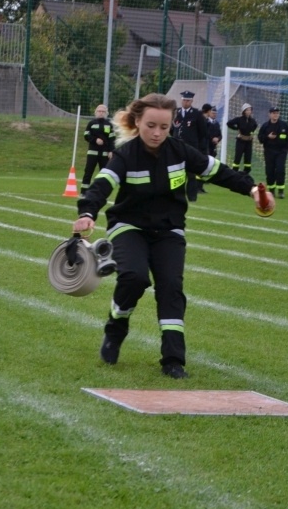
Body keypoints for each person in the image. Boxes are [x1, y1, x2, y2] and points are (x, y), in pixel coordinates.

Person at [73, 93, 260, 379]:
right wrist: (88, 212)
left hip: (169, 230)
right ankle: (116, 326)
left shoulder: (180, 151)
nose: (157, 132)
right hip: (129, 226)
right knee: (134, 277)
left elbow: (218, 172)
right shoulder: (126, 155)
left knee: (171, 287)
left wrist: (252, 189)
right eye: (151, 125)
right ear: (138, 122)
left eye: (164, 126)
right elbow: (102, 184)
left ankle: (173, 360)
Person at [171, 90, 207, 201]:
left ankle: (192, 196)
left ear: (191, 101)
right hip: (177, 146)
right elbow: (171, 128)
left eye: (188, 100)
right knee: (177, 172)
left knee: (191, 173)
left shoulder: (196, 114)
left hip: (191, 147)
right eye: (184, 100)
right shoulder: (176, 113)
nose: (185, 102)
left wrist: (199, 147)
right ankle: (176, 195)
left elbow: (203, 132)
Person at [257, 106, 288, 199]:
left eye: (277, 113)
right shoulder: (265, 126)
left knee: (280, 170)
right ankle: (271, 191)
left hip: (281, 152)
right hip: (269, 152)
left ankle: (281, 191)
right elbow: (260, 138)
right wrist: (268, 137)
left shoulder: (284, 125)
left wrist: (287, 149)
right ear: (270, 114)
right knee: (270, 171)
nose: (275, 115)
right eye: (273, 113)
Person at [81, 104, 115, 195]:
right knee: (88, 172)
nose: (101, 113)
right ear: (96, 112)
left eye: (103, 111)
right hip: (92, 152)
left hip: (104, 154)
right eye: (99, 111)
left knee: (104, 174)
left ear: (106, 113)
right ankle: (84, 192)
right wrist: (95, 140)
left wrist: (111, 151)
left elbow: (112, 139)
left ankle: (102, 192)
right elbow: (86, 135)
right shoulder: (91, 123)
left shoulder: (109, 125)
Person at [226, 103, 258, 174]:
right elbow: (229, 123)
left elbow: (255, 126)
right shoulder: (239, 119)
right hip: (240, 141)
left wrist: (251, 132)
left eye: (250, 110)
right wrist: (236, 128)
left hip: (248, 142)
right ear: (244, 111)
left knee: (248, 158)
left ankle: (246, 172)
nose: (249, 111)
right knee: (238, 157)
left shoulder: (252, 120)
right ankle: (234, 172)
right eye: (247, 110)